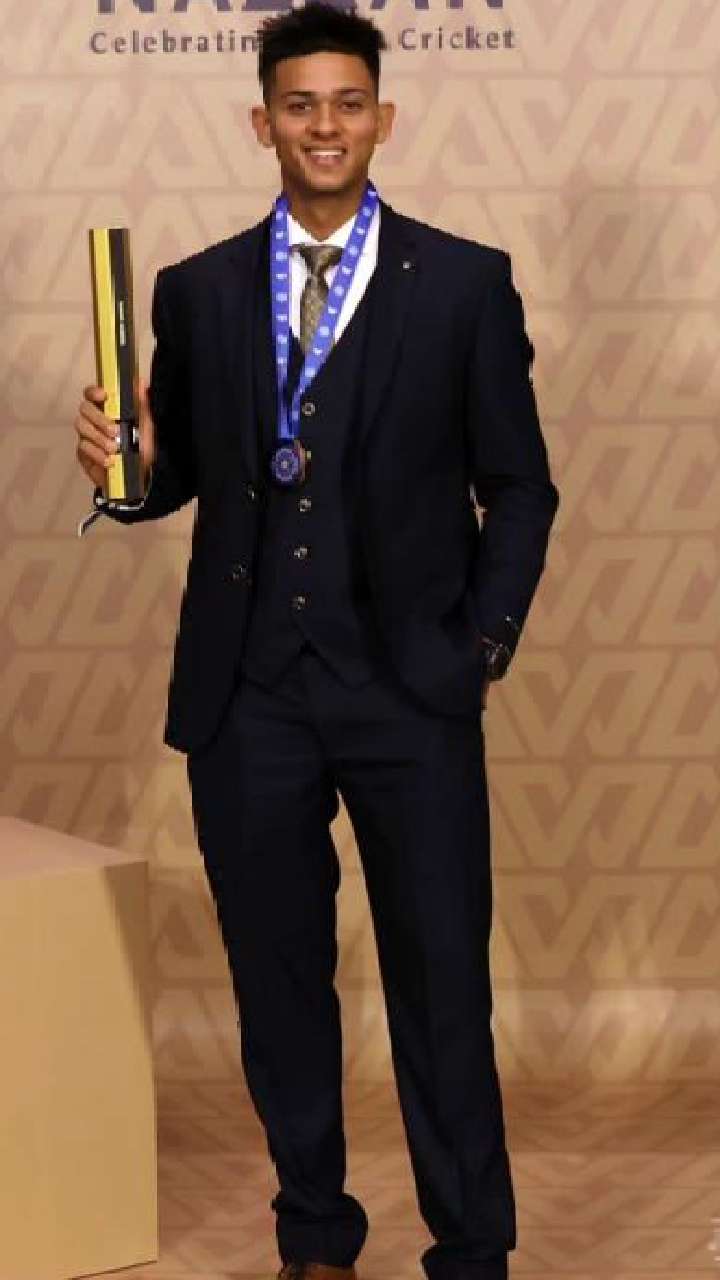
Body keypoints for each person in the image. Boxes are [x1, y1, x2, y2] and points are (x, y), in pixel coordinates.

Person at [74, 5, 559, 1279]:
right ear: (264, 122)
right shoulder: (200, 289)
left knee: (441, 983)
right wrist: (125, 465)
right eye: (300, 105)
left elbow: (521, 487)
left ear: (381, 118)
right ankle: (315, 1237)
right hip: (250, 697)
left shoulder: (464, 283)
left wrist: (481, 643)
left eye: (347, 103)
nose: (324, 125)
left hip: (413, 690)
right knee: (279, 983)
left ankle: (471, 1249)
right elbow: (180, 473)